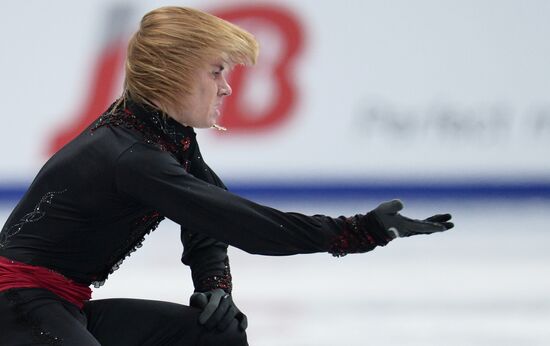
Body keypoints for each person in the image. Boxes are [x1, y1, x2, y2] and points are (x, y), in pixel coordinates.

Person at [0, 6, 454, 346]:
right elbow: (242, 223)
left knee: (216, 334)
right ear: (172, 73)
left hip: (61, 305)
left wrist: (213, 286)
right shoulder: (132, 155)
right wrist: (359, 232)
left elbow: (204, 215)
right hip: (15, 309)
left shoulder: (160, 134)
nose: (227, 87)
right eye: (216, 71)